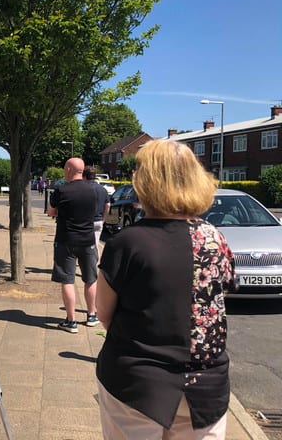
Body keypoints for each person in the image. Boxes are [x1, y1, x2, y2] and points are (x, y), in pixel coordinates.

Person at [96, 139, 235, 439]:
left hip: (136, 385)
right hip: (206, 387)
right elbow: (223, 294)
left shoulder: (127, 243)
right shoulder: (216, 239)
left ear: (146, 183)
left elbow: (104, 314)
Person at [47, 158, 99, 333]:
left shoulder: (61, 190)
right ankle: (92, 315)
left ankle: (71, 321)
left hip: (66, 240)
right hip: (88, 240)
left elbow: (51, 212)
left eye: (64, 168)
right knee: (90, 278)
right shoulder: (93, 190)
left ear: (69, 169)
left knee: (67, 280)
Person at [84, 166, 110, 249]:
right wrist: (103, 219)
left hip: (85, 222)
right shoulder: (103, 189)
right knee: (94, 246)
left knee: (84, 247)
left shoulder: (83, 188)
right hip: (98, 221)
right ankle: (95, 261)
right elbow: (108, 205)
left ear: (84, 176)